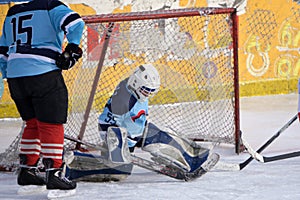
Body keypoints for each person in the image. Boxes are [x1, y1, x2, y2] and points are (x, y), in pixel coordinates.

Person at [0, 0, 84, 193]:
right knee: (51, 123)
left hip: (16, 76)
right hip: (43, 72)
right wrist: (72, 49)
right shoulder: (50, 5)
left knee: (32, 122)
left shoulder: (12, 12)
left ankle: (27, 171)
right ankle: (54, 173)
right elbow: (75, 23)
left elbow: (2, 51)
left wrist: (8, 74)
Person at [98, 64, 210, 173]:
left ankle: (196, 154)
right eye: (146, 90)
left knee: (165, 134)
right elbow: (108, 124)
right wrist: (118, 149)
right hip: (124, 137)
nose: (148, 94)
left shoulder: (131, 87)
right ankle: (189, 160)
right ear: (135, 83)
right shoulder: (124, 101)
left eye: (151, 91)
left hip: (134, 130)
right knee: (124, 170)